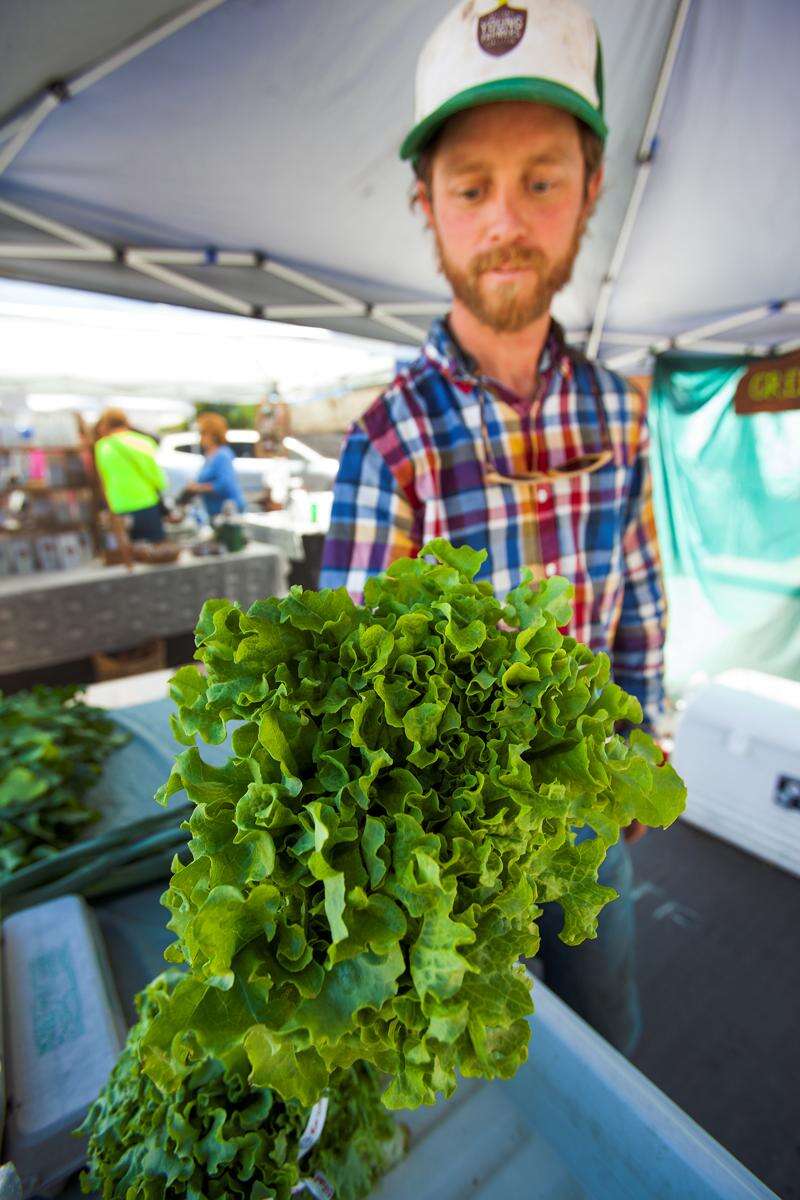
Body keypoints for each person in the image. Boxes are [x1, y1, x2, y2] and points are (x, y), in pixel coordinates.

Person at [319, 0, 667, 1056]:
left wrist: (643, 731)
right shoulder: (389, 443)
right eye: (470, 188)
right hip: (455, 855)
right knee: (492, 1074)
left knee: (609, 1035)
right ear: (425, 205)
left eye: (542, 180)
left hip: (593, 813)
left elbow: (638, 596)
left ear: (591, 190)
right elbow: (358, 709)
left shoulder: (620, 407)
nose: (505, 220)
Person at [94, 407, 167, 542]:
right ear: (126, 421)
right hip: (147, 502)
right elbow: (156, 475)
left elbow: (103, 479)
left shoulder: (102, 447)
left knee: (131, 552)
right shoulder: (143, 441)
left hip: (119, 506)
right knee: (156, 547)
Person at [181, 412, 246, 518]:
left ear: (213, 434)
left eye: (203, 433)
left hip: (227, 512)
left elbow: (225, 483)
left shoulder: (223, 454)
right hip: (214, 511)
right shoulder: (209, 455)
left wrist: (199, 488)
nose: (200, 437)